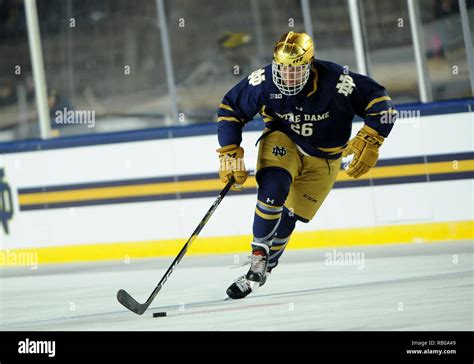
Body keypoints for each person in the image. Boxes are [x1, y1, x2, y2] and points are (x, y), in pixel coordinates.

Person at [216, 31, 397, 299]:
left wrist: (374, 135)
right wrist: (230, 149)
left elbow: (380, 101)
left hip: (326, 157)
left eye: (295, 70)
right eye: (282, 69)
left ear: (310, 65)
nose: (287, 76)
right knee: (273, 189)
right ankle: (258, 255)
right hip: (284, 139)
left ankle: (262, 271)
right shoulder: (264, 81)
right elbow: (231, 108)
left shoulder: (337, 81)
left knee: (289, 217)